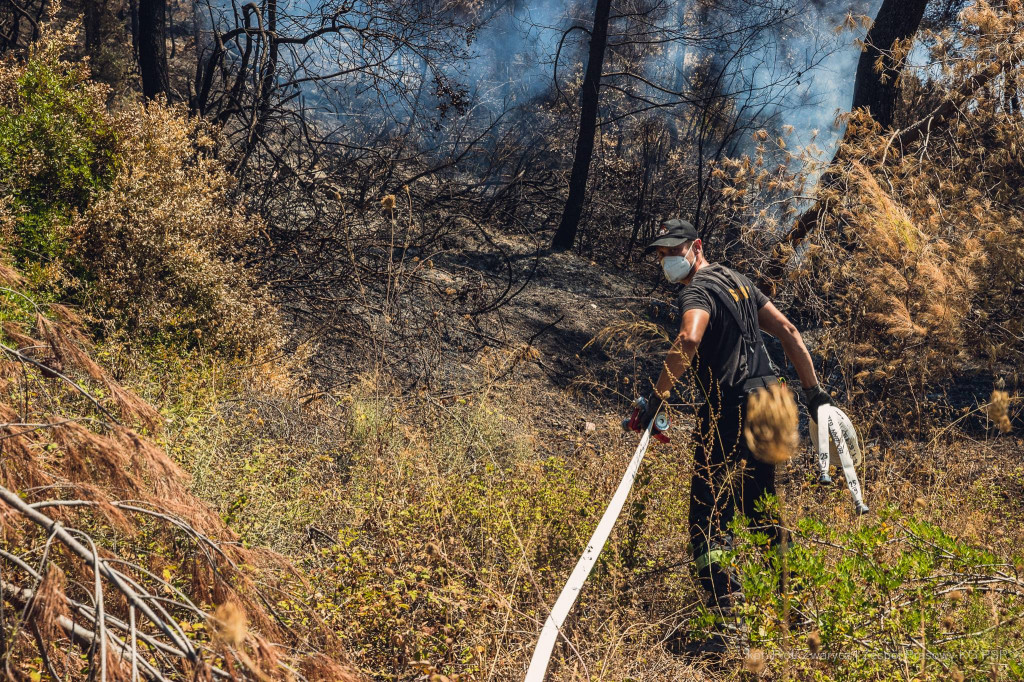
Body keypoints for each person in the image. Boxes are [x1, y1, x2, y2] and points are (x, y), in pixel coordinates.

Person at [629, 218, 833, 655]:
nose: (667, 260)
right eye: (662, 254)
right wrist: (815, 395)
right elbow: (790, 332)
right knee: (758, 509)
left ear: (696, 247)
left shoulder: (697, 290)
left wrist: (655, 400)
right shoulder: (739, 282)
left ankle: (727, 622)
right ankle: (798, 609)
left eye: (673, 251)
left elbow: (688, 338)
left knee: (708, 516)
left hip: (732, 408)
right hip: (774, 401)